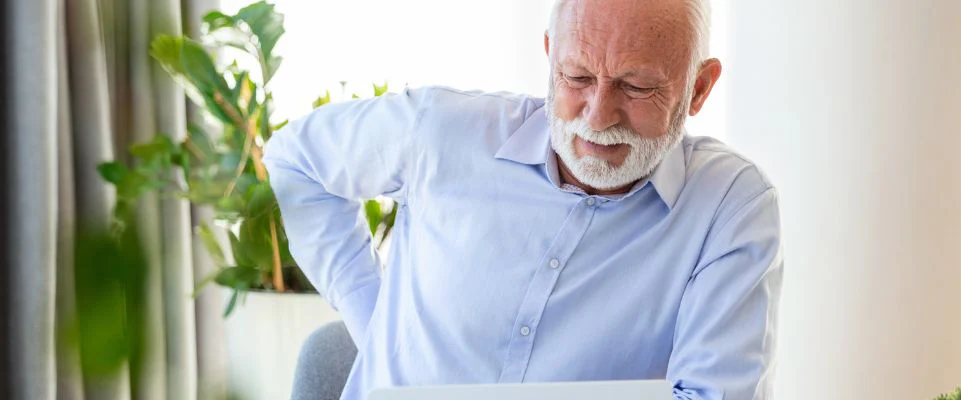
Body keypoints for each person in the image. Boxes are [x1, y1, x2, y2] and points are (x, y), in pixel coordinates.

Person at [263, 0, 783, 398]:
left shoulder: (728, 206)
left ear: (698, 88)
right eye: (576, 76)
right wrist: (371, 317)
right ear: (549, 56)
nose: (597, 117)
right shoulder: (441, 132)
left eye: (636, 87)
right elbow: (296, 159)